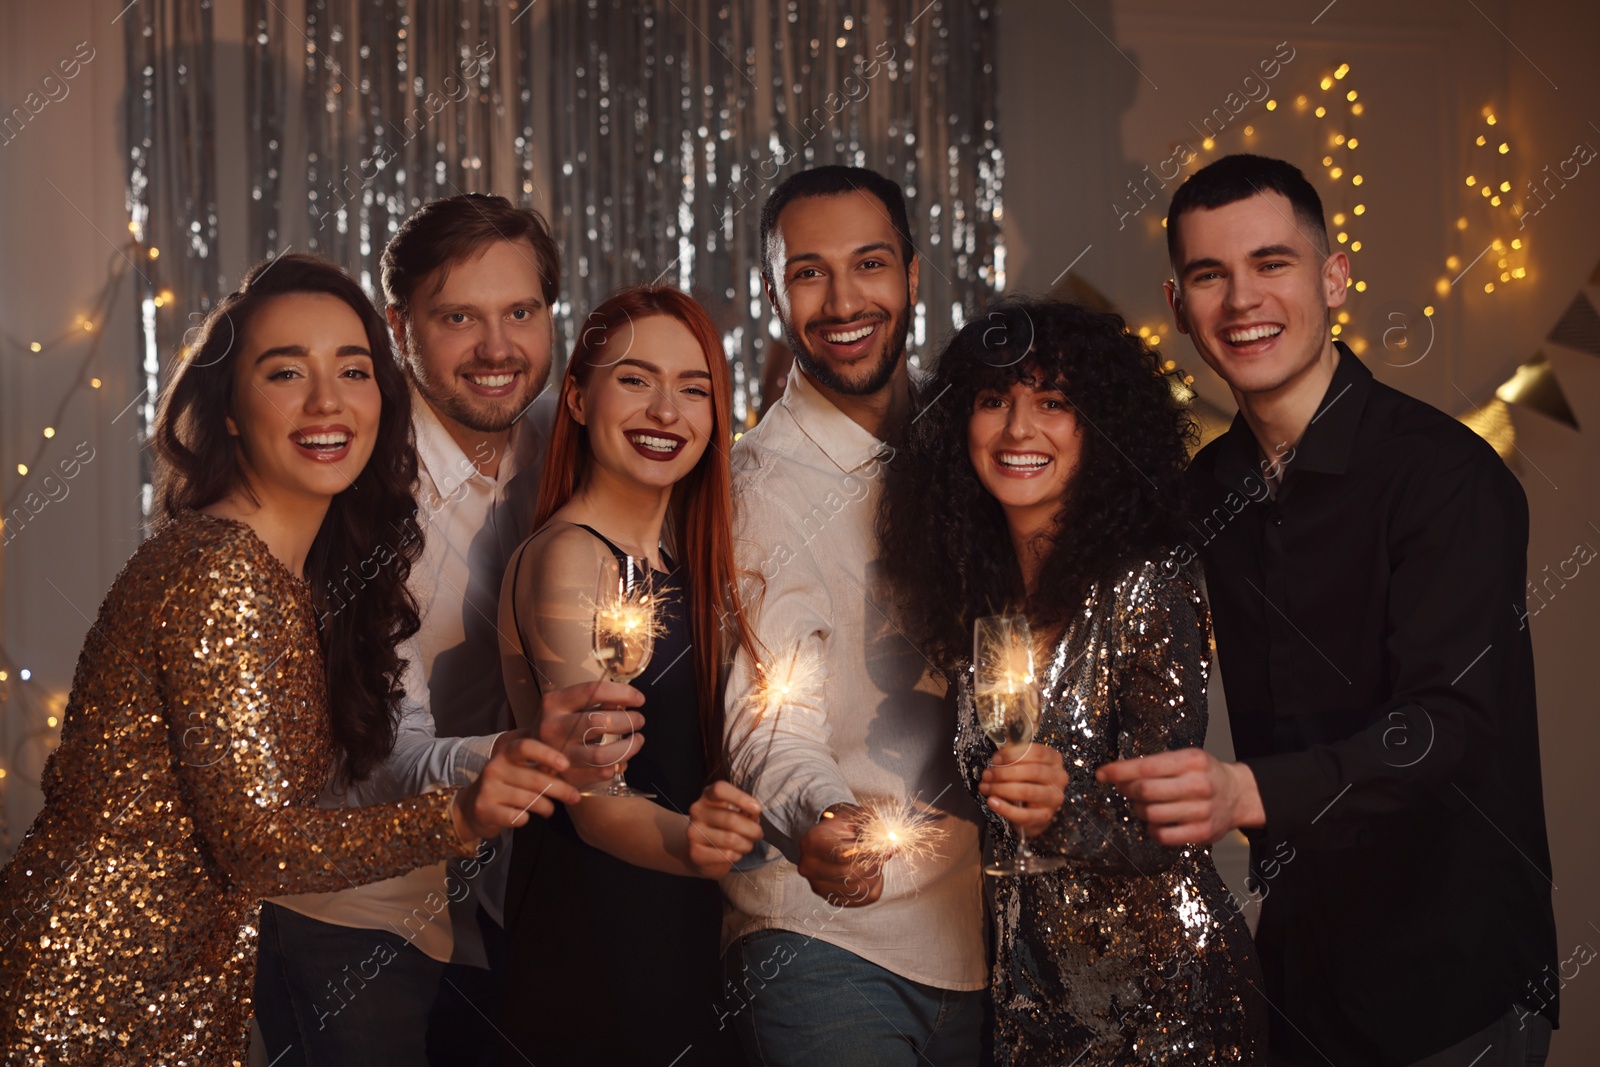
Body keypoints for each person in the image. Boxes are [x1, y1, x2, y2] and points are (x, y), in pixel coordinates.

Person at [0, 255, 573, 1064]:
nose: (326, 401)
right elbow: (256, 845)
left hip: (179, 988)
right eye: (284, 372)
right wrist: (460, 814)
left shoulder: (292, 571)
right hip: (96, 999)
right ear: (229, 409)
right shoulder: (222, 574)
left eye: (353, 369)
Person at [1101, 153, 1559, 1065]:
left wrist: (1247, 791)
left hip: (1451, 978)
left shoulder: (1447, 478)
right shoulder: (1203, 492)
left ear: (1334, 277)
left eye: (1271, 263)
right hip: (1296, 978)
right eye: (1209, 275)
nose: (1241, 301)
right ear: (1178, 303)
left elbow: (1444, 726)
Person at [252, 196, 645, 1067]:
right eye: (459, 317)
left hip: (509, 893)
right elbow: (375, 747)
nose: (498, 348)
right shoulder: (354, 478)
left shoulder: (562, 441)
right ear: (399, 328)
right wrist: (511, 758)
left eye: (521, 313)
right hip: (352, 911)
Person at [877, 297, 1266, 1065]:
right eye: (995, 400)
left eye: (1054, 401)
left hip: (1164, 1003)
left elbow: (1171, 818)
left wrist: (1067, 808)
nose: (1020, 429)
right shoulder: (976, 599)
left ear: (1102, 426)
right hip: (1030, 1004)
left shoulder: (1148, 581)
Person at [718, 165, 986, 1066]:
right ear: (772, 294)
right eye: (808, 272)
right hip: (821, 943)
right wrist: (817, 817)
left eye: (869, 264)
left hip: (989, 940)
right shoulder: (758, 487)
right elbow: (767, 721)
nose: (842, 300)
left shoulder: (982, 444)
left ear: (914, 274)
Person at [496, 285, 764, 1065]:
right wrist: (705, 844)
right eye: (636, 379)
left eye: (693, 387)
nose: (666, 411)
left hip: (689, 923)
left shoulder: (688, 560)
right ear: (578, 397)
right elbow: (596, 806)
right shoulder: (572, 556)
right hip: (599, 937)